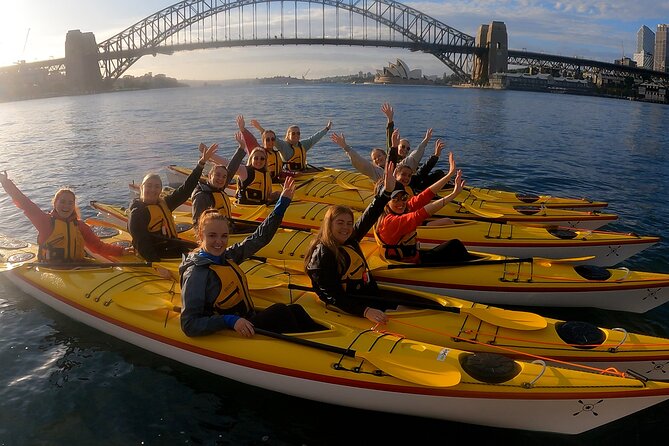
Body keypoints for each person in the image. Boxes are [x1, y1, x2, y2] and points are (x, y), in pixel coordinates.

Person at [179, 176, 323, 337]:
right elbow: (189, 324)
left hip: (247, 320)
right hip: (230, 329)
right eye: (212, 236)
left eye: (224, 236)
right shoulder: (196, 274)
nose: (219, 242)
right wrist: (229, 320)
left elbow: (259, 238)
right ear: (200, 235)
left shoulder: (226, 257)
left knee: (295, 310)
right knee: (280, 311)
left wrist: (282, 204)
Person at [304, 159, 398, 325]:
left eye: (349, 223)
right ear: (329, 224)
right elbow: (332, 295)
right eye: (340, 223)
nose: (346, 228)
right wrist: (365, 311)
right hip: (350, 305)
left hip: (365, 294)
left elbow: (370, 215)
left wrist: (386, 192)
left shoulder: (350, 238)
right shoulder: (322, 255)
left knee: (399, 305)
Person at [0, 171, 134, 262]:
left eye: (70, 203)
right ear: (55, 203)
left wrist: (121, 251)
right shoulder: (45, 222)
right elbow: (25, 203)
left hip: (77, 266)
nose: (66, 206)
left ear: (74, 206)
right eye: (62, 201)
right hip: (51, 269)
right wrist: (6, 183)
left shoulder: (80, 225)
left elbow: (97, 247)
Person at [128, 143, 218, 261]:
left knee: (209, 252)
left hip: (171, 248)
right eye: (149, 186)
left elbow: (185, 190)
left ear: (160, 190)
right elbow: (141, 242)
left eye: (156, 187)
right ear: (141, 188)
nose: (152, 190)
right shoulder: (138, 213)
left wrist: (201, 164)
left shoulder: (164, 204)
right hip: (157, 255)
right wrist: (157, 265)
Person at [374, 166, 471, 264]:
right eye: (395, 199)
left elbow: (425, 196)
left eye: (403, 197)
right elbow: (421, 214)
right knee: (455, 245)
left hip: (414, 258)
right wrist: (452, 195)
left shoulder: (399, 209)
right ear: (386, 201)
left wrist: (449, 175)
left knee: (454, 245)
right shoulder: (389, 222)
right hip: (408, 265)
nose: (401, 203)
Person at [191, 133, 248, 231]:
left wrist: (241, 148)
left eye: (224, 177)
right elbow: (197, 223)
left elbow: (232, 168)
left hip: (227, 227)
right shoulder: (202, 196)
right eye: (217, 175)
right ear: (210, 176)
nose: (221, 179)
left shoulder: (219, 187)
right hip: (217, 234)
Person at [253, 119, 332, 171]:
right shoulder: (283, 146)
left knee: (323, 170)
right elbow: (270, 136)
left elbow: (314, 138)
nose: (296, 135)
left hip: (303, 172)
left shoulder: (303, 145)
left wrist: (327, 129)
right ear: (288, 135)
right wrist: (260, 128)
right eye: (293, 133)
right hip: (291, 175)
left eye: (298, 133)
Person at [237, 115, 283, 182]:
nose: (270, 141)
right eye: (267, 140)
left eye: (272, 139)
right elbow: (251, 140)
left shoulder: (276, 153)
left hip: (274, 181)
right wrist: (243, 129)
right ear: (263, 141)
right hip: (260, 182)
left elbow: (280, 171)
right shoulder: (260, 152)